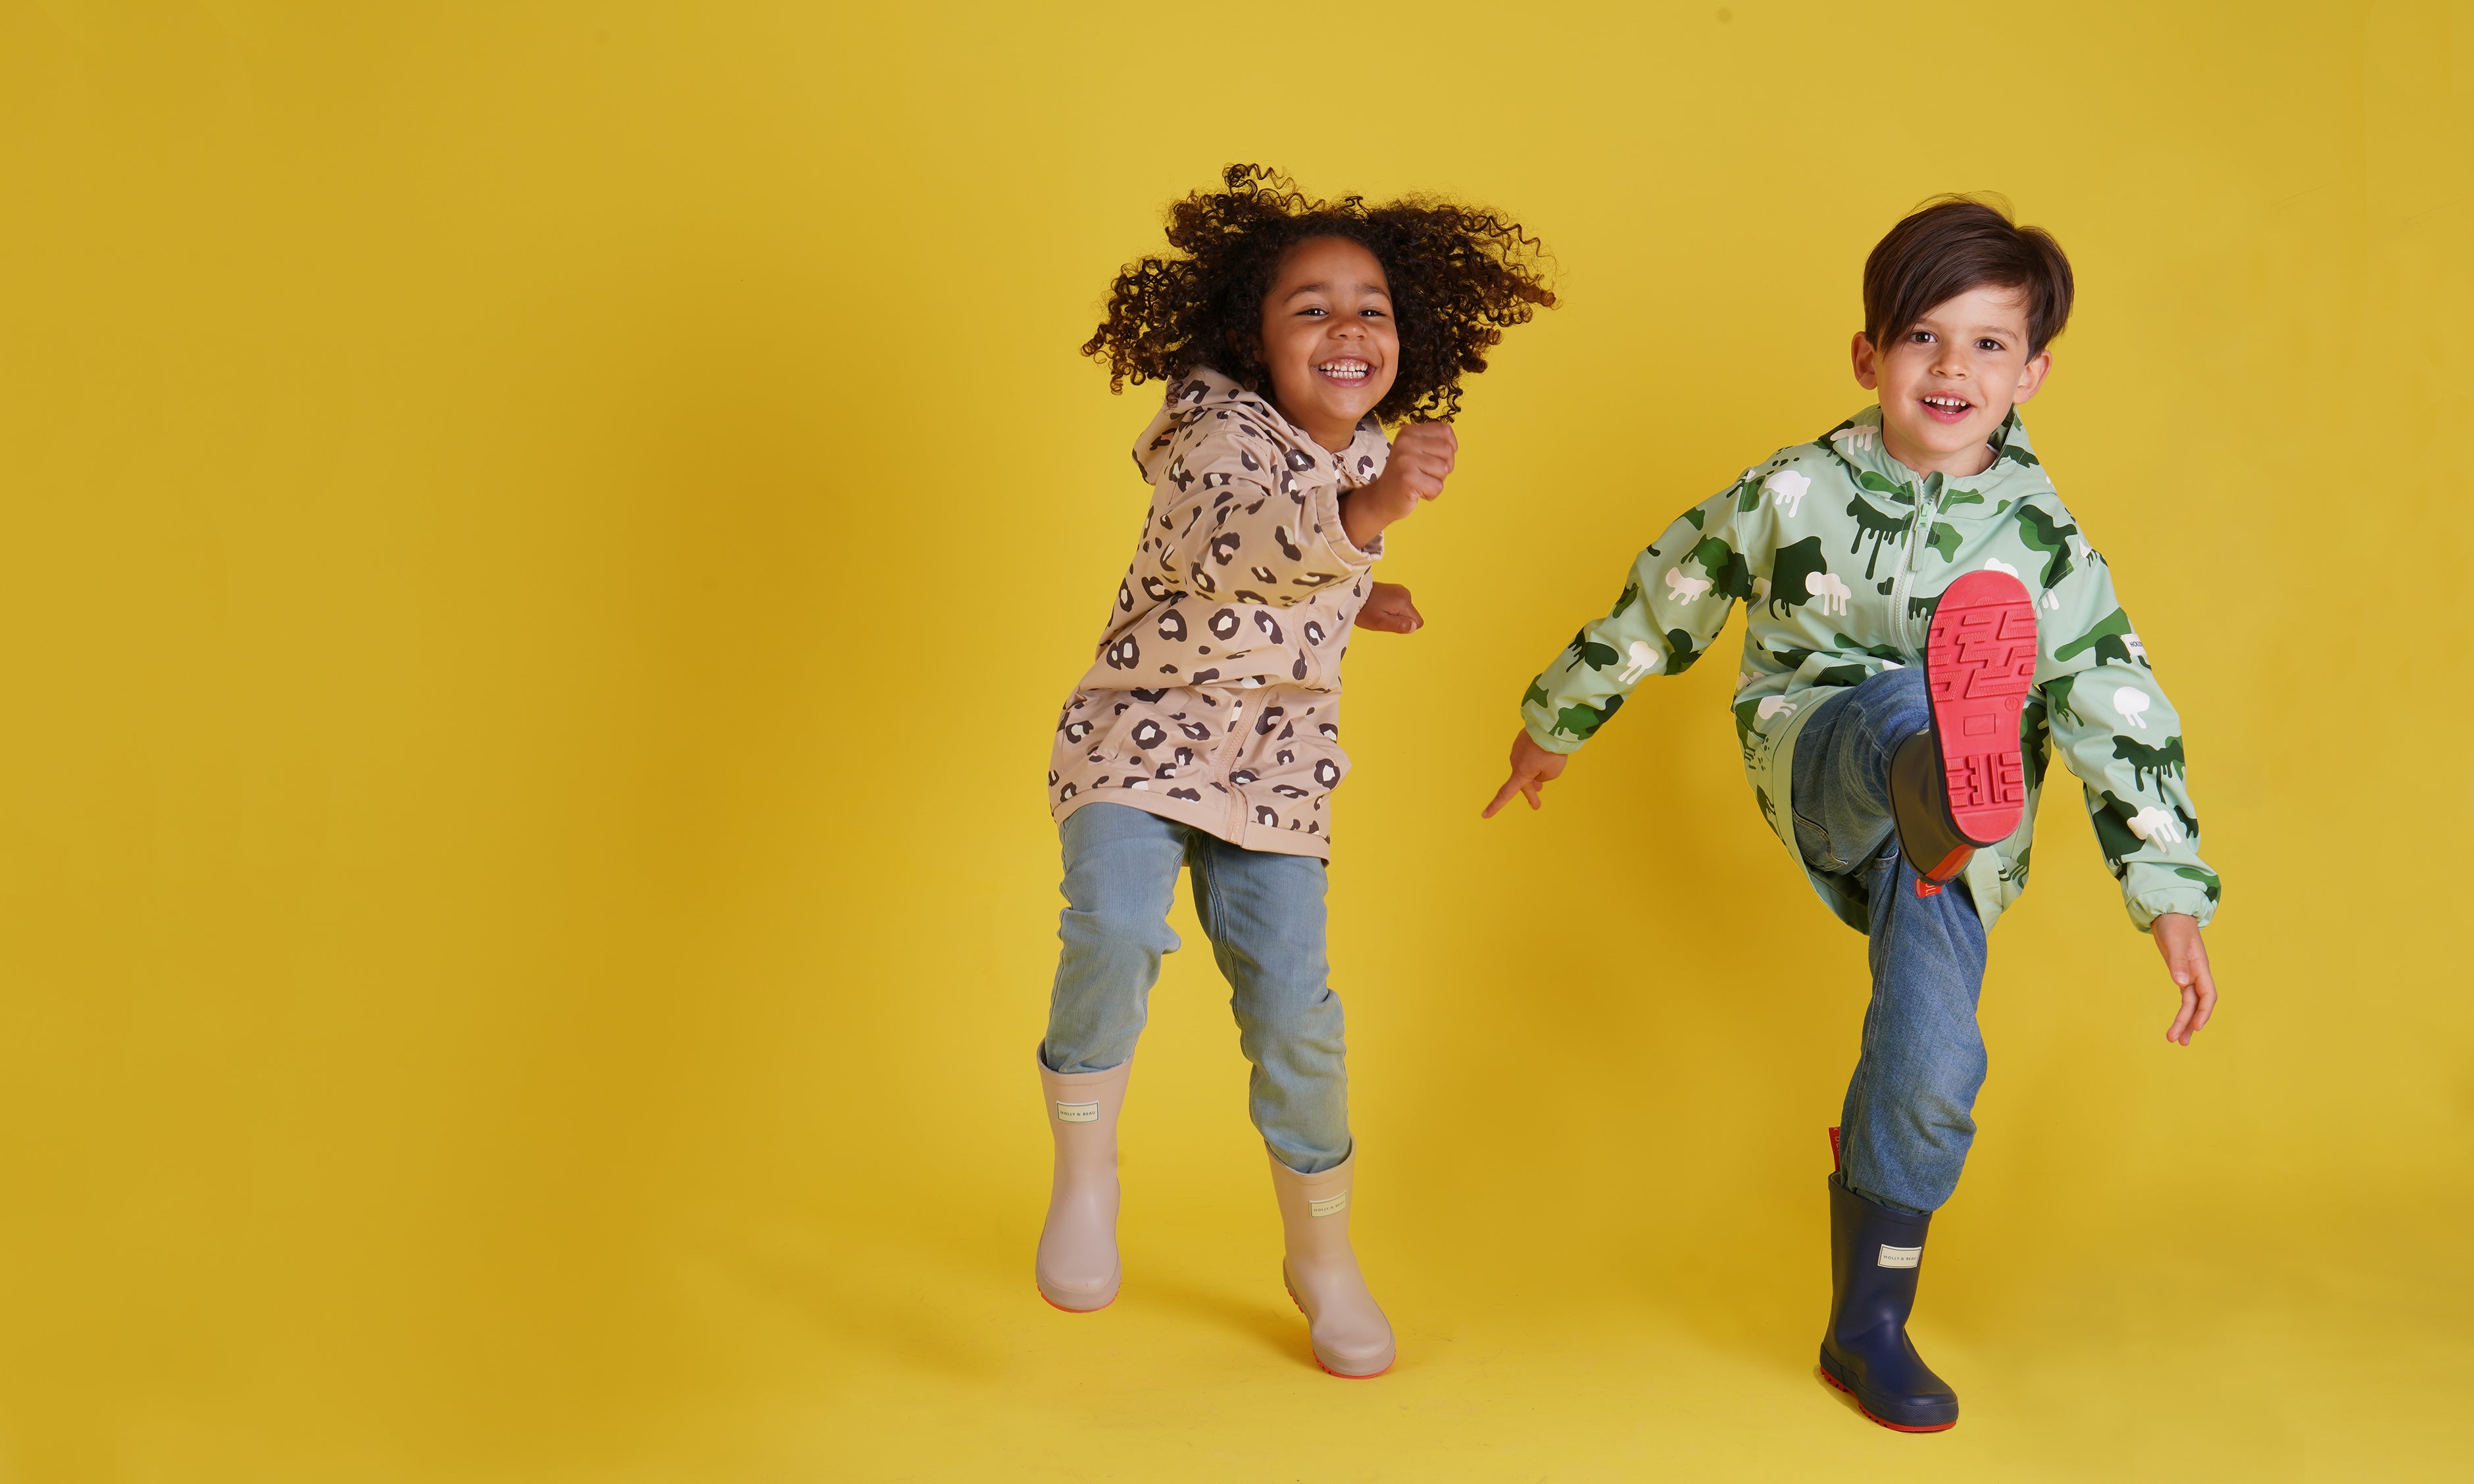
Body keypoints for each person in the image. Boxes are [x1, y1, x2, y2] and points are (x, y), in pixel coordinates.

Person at [1483, 197, 2221, 1430]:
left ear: (2033, 372)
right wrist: (1553, 725)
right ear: (1867, 354)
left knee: (1935, 1070)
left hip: (1952, 852)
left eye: (1987, 345)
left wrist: (2170, 900)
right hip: (1820, 757)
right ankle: (1934, 756)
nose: (1950, 368)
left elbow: (2115, 707)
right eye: (1922, 337)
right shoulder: (1791, 492)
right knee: (1897, 709)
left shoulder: (2044, 545)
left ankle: (1866, 1326)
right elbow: (1666, 598)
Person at [1038, 164, 1554, 1377]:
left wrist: (1364, 592)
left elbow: (1298, 568)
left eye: (1370, 308)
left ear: (1406, 337)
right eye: (1309, 308)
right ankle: (1083, 1175)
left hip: (1275, 766)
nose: (1346, 329)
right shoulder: (1208, 428)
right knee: (1113, 928)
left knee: (1295, 1021)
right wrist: (1368, 518)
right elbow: (1229, 541)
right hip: (1141, 734)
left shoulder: (1353, 451)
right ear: (1247, 338)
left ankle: (1320, 1257)